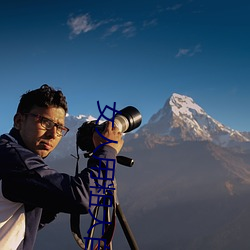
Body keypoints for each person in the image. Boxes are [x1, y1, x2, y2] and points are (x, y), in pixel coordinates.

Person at [0, 84, 124, 250]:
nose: (53, 134)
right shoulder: (14, 159)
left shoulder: (11, 154)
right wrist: (106, 151)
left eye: (59, 128)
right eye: (45, 122)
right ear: (19, 121)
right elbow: (81, 198)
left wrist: (53, 198)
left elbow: (23, 223)